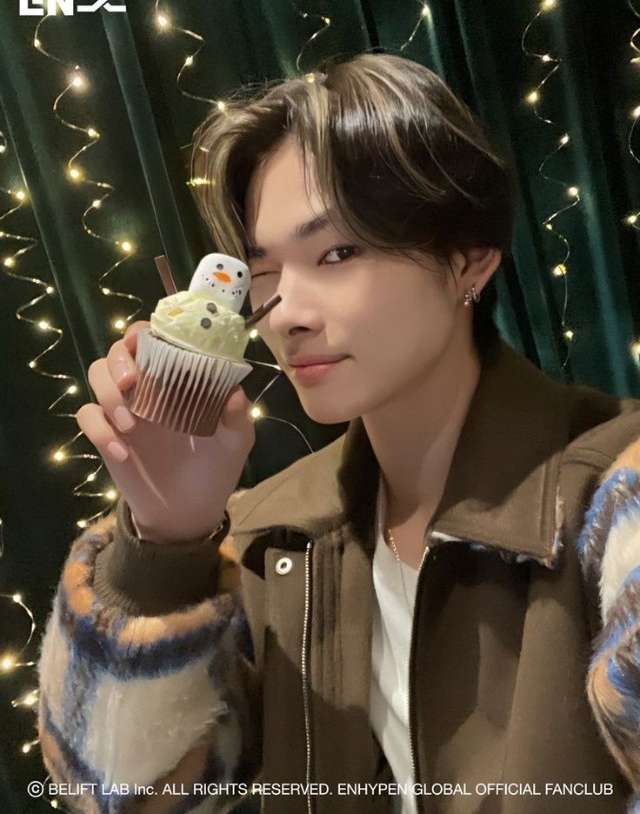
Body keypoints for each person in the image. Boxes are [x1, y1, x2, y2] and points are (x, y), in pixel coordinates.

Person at [37, 53, 640, 814]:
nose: (286, 312)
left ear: (469, 260)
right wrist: (164, 539)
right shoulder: (273, 535)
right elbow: (119, 797)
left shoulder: (615, 494)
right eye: (262, 269)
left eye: (338, 253)